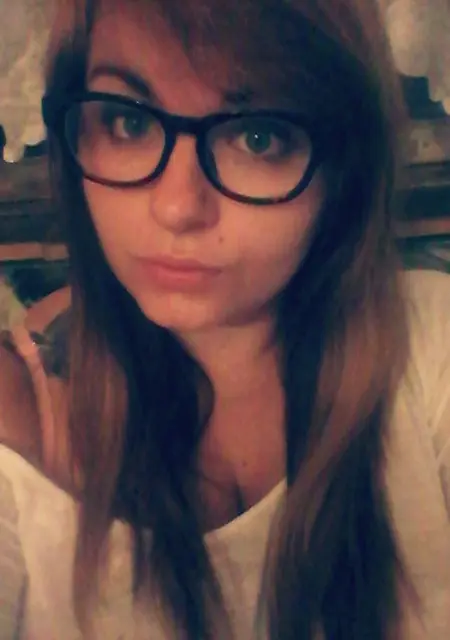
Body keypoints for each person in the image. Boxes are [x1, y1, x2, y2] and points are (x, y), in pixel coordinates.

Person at [0, 0, 449, 638]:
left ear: (345, 167)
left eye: (258, 136)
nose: (178, 207)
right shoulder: (18, 418)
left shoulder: (430, 343)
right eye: (129, 121)